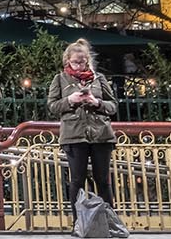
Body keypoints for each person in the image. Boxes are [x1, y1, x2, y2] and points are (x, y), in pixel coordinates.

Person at [47, 38, 117, 219]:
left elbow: (113, 106)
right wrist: (71, 100)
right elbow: (52, 107)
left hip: (101, 135)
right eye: (75, 62)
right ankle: (78, 221)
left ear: (88, 61)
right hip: (74, 136)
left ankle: (108, 221)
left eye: (82, 62)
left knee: (103, 180)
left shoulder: (99, 79)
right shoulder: (60, 79)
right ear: (67, 61)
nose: (79, 66)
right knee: (77, 180)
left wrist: (97, 102)